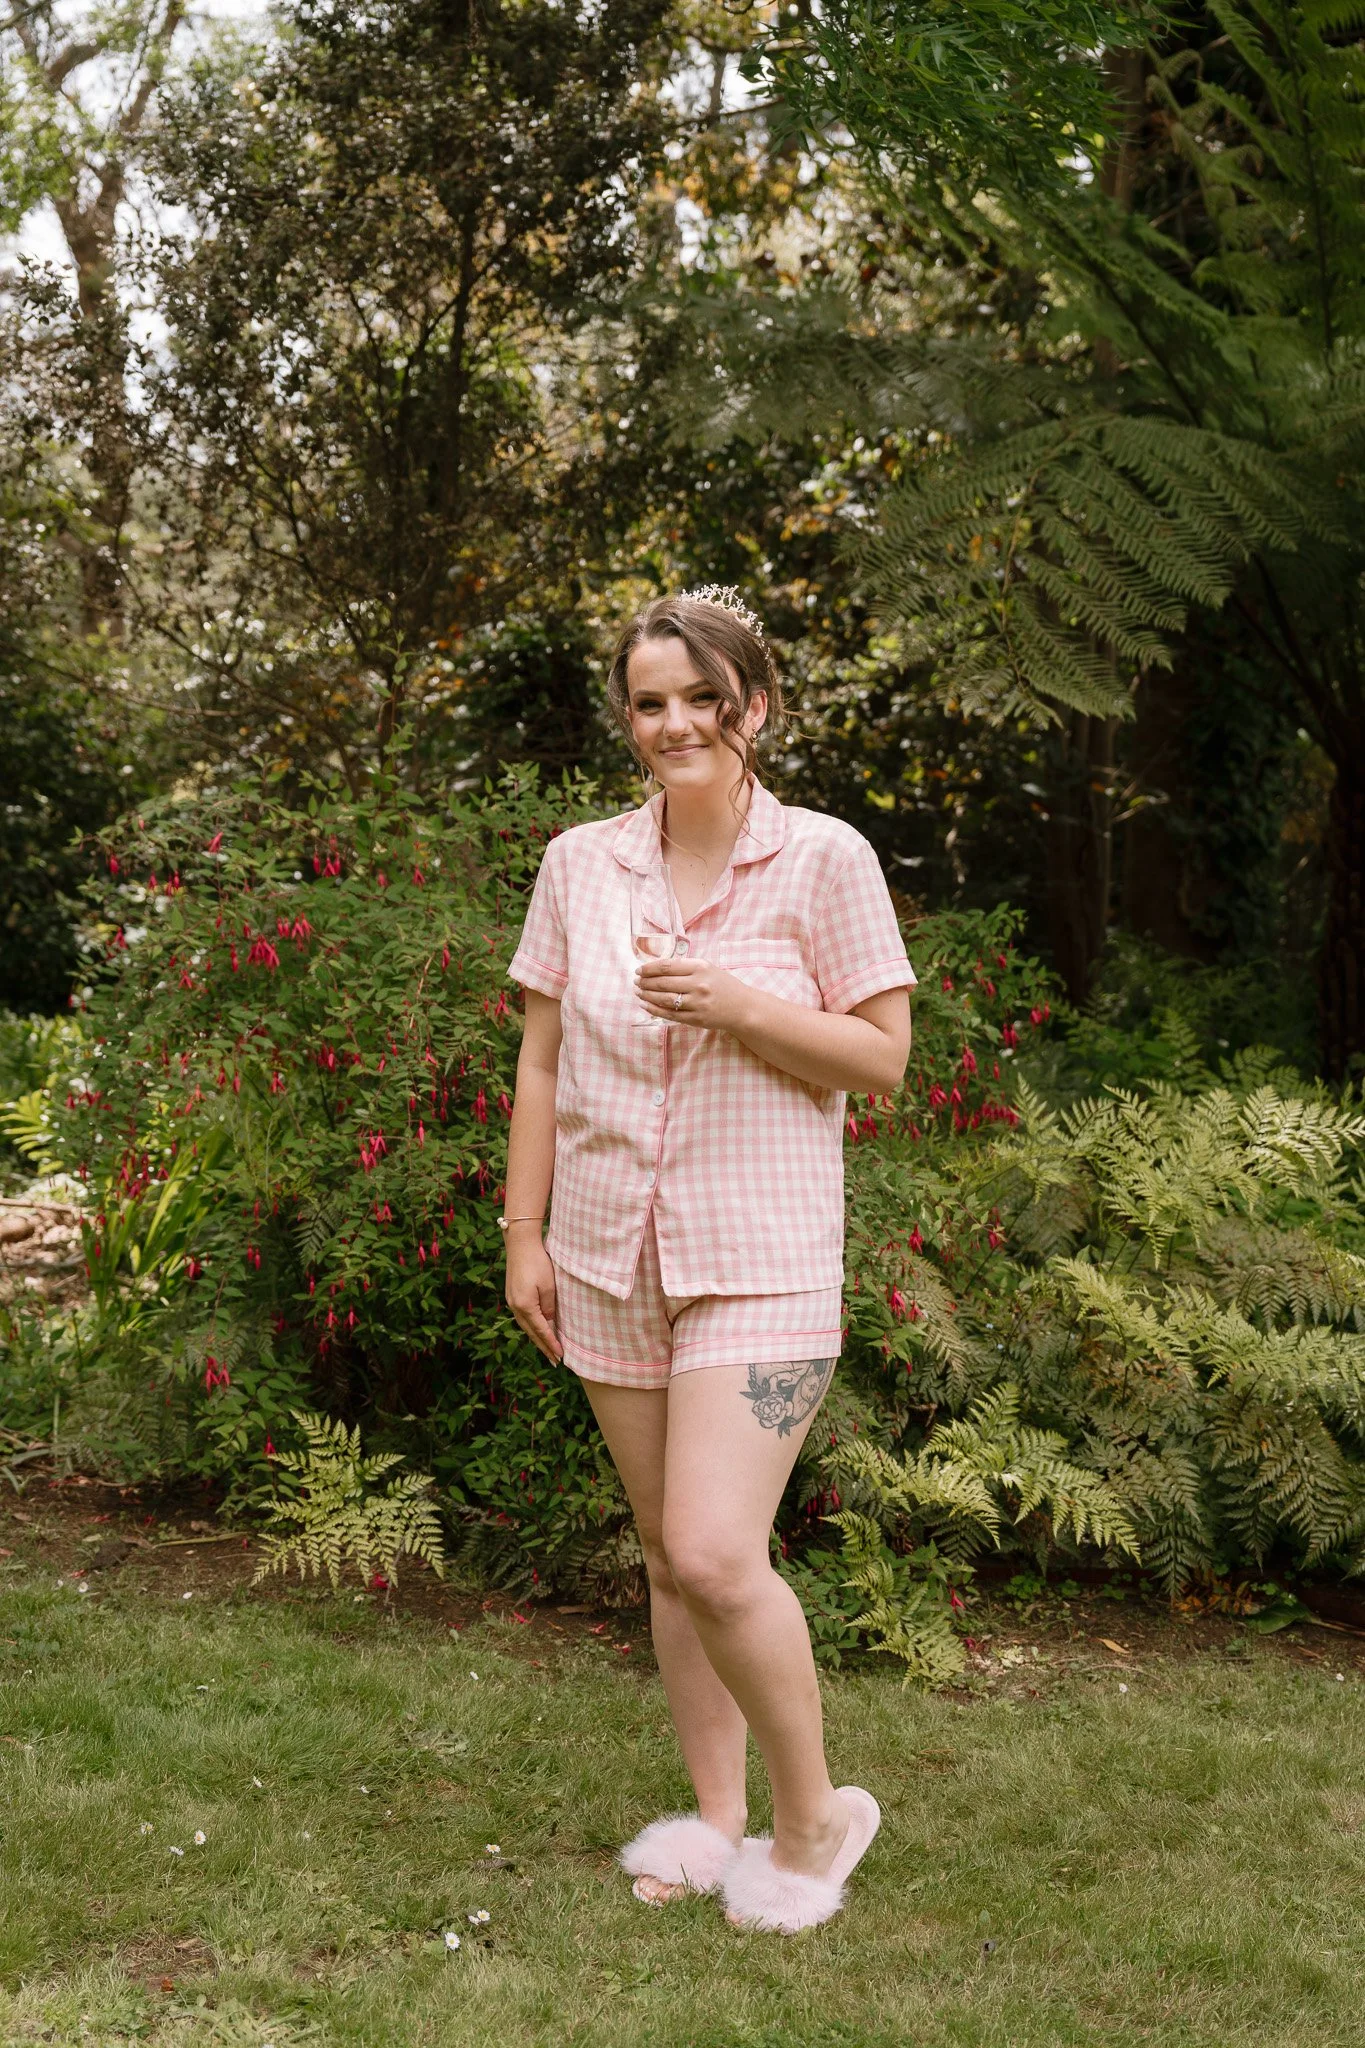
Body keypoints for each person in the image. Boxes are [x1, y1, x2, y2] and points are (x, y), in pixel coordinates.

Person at [501, 588, 916, 1935]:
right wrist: (525, 1232)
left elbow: (884, 1062)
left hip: (764, 1257)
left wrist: (739, 1004)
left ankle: (815, 1819)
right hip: (611, 1255)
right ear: (628, 719)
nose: (676, 722)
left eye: (702, 697)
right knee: (671, 1562)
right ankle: (714, 1817)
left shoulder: (825, 862)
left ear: (756, 704)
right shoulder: (582, 865)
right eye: (649, 701)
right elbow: (544, 1054)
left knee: (719, 1553)